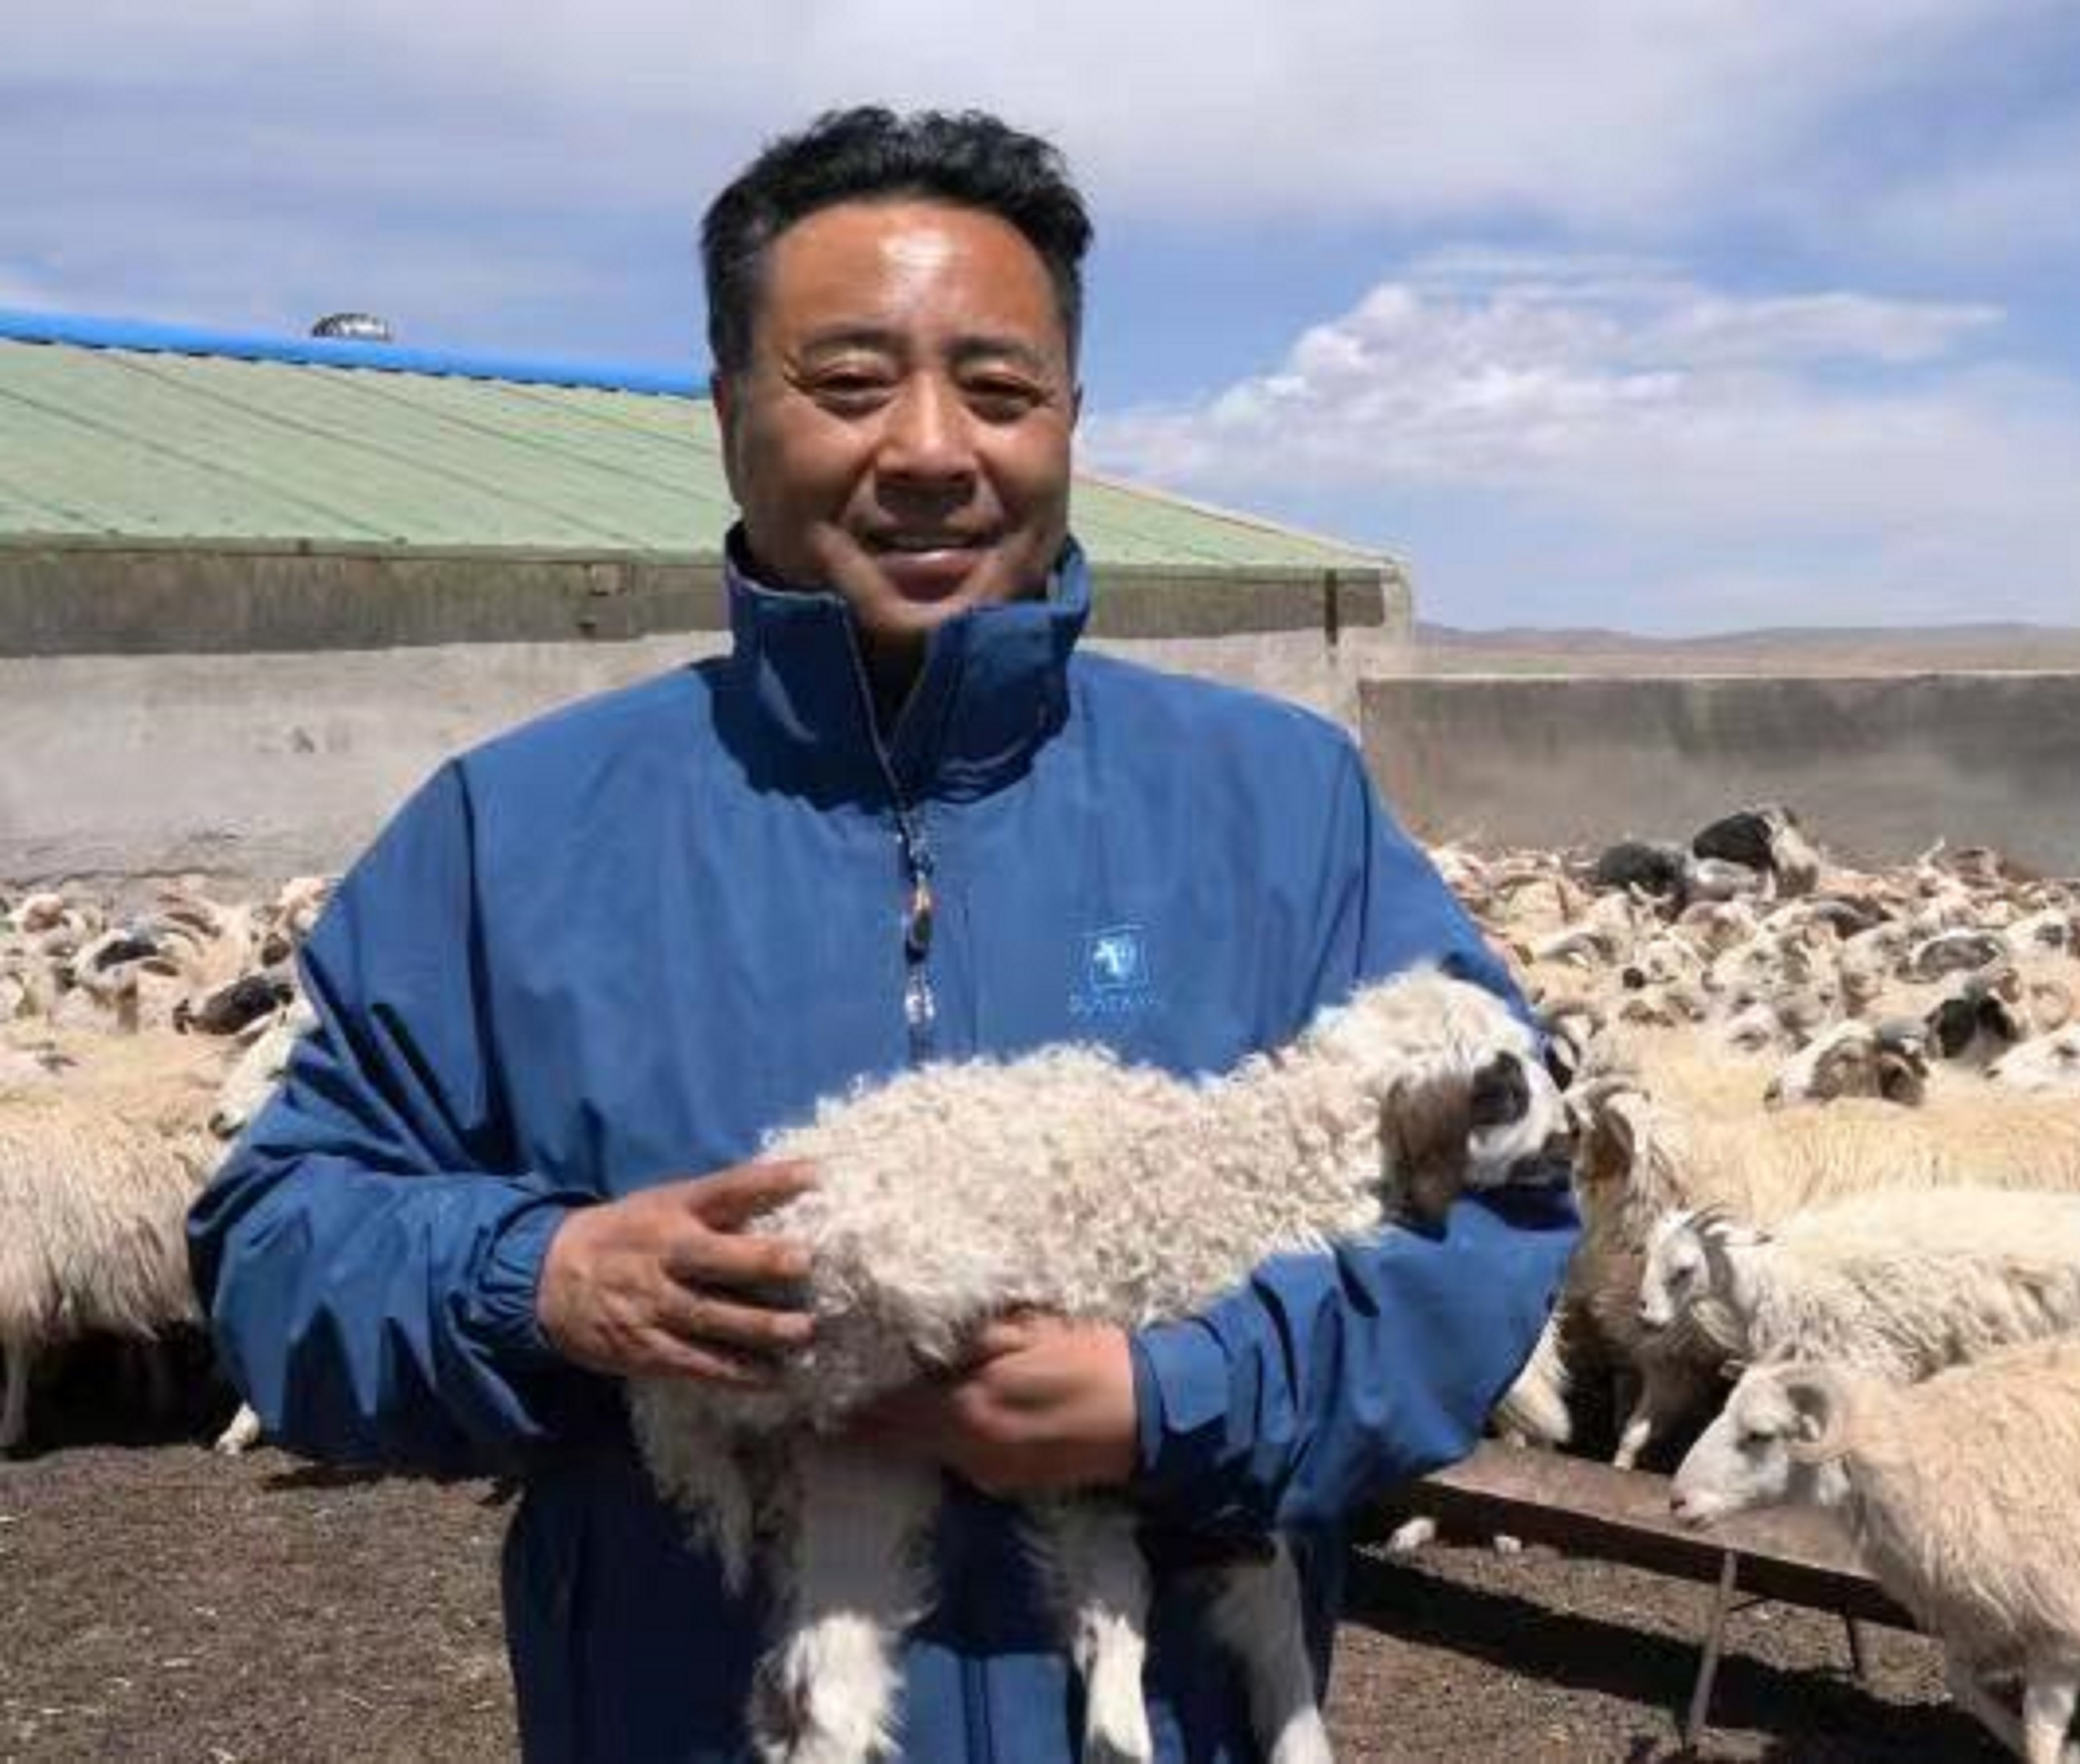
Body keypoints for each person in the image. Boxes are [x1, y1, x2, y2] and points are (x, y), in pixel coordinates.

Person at [187, 106, 1574, 1763]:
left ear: (1069, 418)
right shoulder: (519, 835)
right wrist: (536, 1278)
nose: (928, 448)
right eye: (849, 384)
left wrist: (1171, 1399)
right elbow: (277, 1242)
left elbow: (1504, 1216)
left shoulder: (1281, 809)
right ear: (729, 417)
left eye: (998, 390)